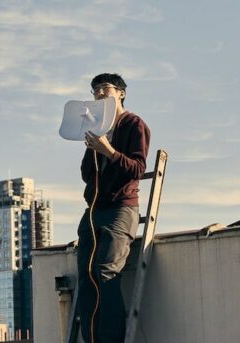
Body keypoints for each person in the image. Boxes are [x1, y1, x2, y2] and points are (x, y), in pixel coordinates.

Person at [76, 73, 150, 343]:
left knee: (106, 271)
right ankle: (91, 337)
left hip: (121, 207)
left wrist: (108, 150)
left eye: (104, 89)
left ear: (120, 93)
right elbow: (87, 174)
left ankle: (110, 339)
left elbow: (138, 169)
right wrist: (94, 146)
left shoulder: (134, 124)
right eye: (94, 90)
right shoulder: (99, 126)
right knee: (86, 275)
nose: (98, 94)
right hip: (95, 208)